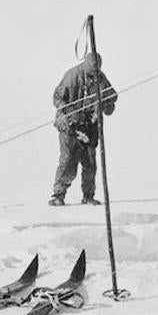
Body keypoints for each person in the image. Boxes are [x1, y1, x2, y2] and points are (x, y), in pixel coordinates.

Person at [49, 52, 117, 206]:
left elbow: (111, 96)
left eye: (96, 71)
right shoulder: (72, 76)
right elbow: (57, 98)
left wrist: (105, 105)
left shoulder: (100, 78)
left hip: (90, 126)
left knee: (90, 163)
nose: (94, 75)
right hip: (69, 126)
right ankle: (58, 195)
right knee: (68, 161)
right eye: (91, 72)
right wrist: (72, 113)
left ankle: (88, 195)